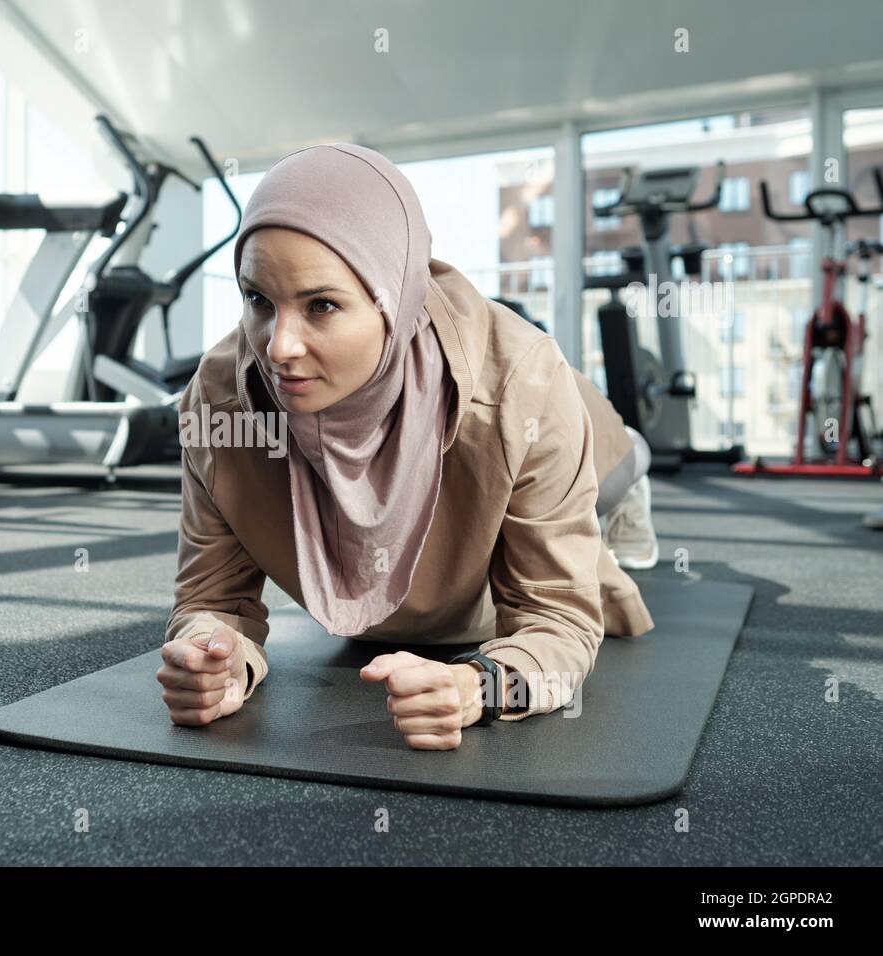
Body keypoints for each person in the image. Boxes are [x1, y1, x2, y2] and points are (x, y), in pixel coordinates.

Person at [157, 143, 658, 750]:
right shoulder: (216, 402)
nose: (279, 346)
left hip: (564, 437)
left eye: (322, 305)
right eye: (258, 300)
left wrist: (486, 685)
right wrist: (218, 659)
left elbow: (557, 620)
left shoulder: (524, 384)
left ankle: (632, 466)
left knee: (614, 460)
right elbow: (211, 601)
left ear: (392, 298)